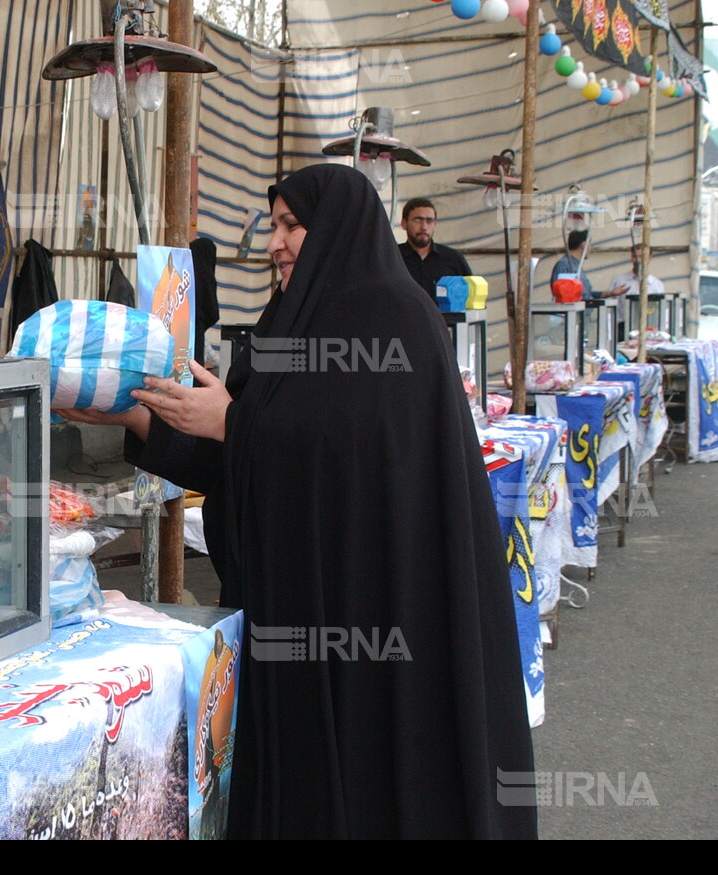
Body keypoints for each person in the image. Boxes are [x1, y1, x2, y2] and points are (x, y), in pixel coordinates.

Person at [57, 164, 537, 839]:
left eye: (291, 225)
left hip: (378, 621)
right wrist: (142, 417)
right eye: (274, 226)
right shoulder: (291, 318)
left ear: (337, 229)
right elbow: (250, 457)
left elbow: (353, 462)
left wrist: (236, 421)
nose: (276, 243)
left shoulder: (397, 318)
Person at [398, 197, 473, 300]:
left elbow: (472, 297)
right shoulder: (393, 258)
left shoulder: (453, 258)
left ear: (435, 224)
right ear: (404, 224)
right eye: (418, 220)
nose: (424, 227)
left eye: (429, 221)